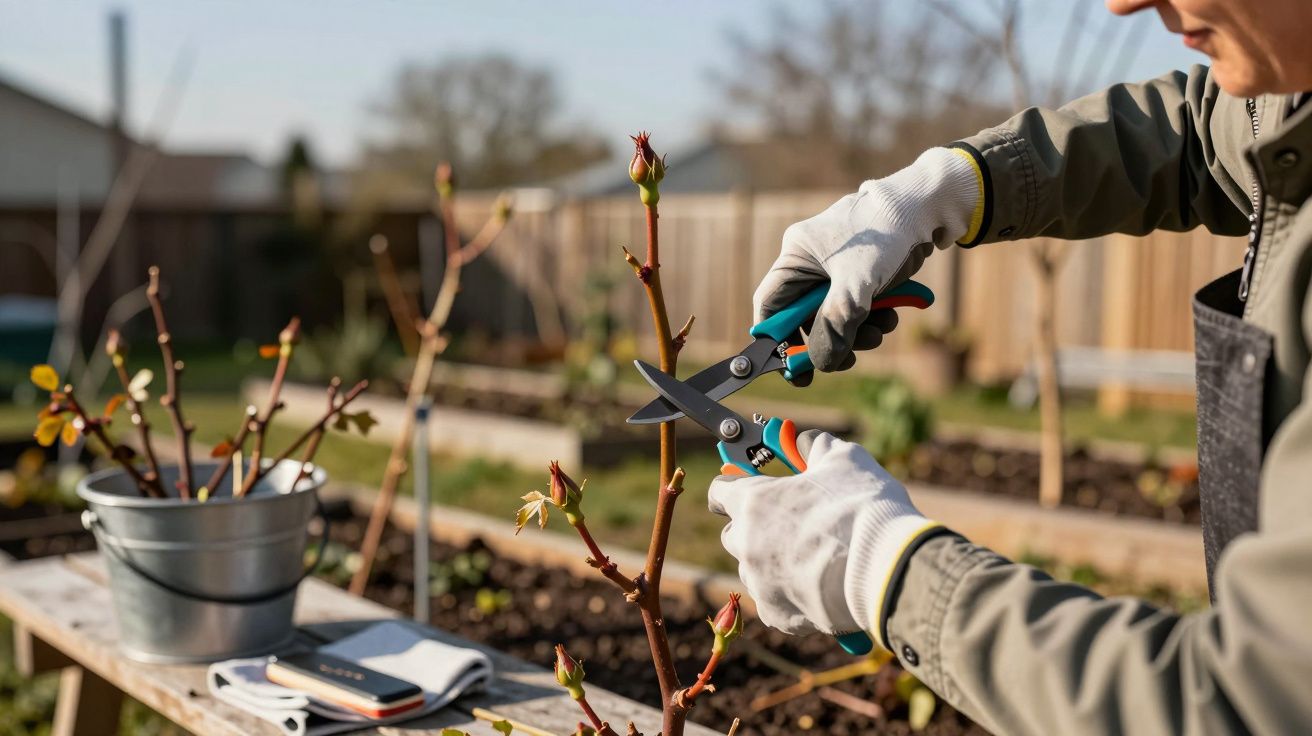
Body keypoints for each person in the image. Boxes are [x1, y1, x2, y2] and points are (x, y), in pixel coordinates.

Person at [708, 1, 1312, 733]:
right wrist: (948, 186)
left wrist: (886, 572)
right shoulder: (1289, 86)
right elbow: (1208, 134)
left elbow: (1245, 706)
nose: (1121, 3)